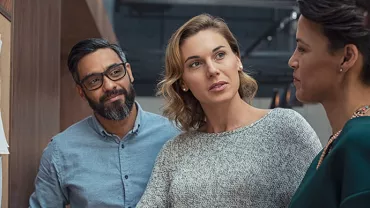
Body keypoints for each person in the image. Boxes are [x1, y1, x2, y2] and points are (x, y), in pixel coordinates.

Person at [137, 14, 322, 208]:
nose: (212, 70)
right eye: (195, 64)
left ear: (238, 60)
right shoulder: (175, 151)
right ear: (183, 82)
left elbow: (324, 198)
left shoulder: (285, 127)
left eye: (219, 55)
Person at [29, 38, 180, 208]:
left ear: (128, 72)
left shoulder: (174, 137)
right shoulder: (60, 151)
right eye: (94, 81)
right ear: (81, 91)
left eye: (115, 72)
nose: (109, 86)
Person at [288, 0, 370, 207]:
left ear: (347, 57)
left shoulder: (362, 141)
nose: (292, 61)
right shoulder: (343, 142)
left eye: (302, 49)